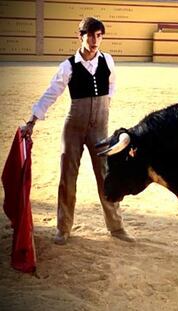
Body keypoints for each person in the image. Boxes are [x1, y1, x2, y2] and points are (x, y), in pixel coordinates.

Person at [20, 17, 134, 245]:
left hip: (100, 128)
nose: (94, 40)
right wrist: (32, 121)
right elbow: (51, 93)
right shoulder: (68, 65)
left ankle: (116, 227)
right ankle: (63, 228)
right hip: (73, 128)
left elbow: (112, 85)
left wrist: (105, 105)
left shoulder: (108, 61)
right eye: (90, 35)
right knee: (67, 176)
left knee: (106, 176)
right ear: (80, 36)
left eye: (99, 35)